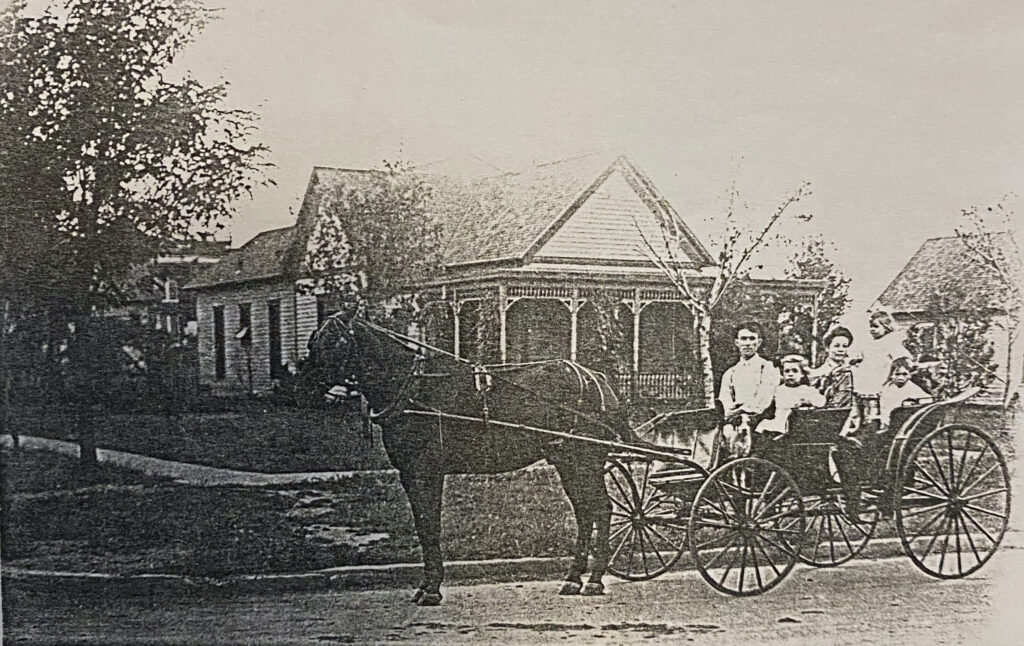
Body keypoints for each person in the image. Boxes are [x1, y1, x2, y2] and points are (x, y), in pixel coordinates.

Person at [719, 321, 780, 458]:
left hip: (758, 416)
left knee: (743, 425)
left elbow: (764, 399)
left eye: (752, 339)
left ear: (758, 342)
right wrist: (729, 413)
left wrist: (742, 411)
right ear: (737, 342)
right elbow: (725, 399)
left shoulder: (767, 368)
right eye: (743, 339)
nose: (747, 343)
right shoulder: (731, 372)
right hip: (734, 417)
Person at [755, 354, 824, 439]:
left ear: (802, 374)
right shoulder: (777, 390)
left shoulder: (806, 390)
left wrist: (806, 401)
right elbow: (765, 404)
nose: (790, 374)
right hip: (778, 423)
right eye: (787, 371)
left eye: (795, 371)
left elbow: (821, 401)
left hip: (796, 426)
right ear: (783, 374)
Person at [853, 310, 912, 397]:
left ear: (886, 327)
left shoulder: (890, 341)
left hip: (882, 375)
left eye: (876, 327)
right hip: (869, 375)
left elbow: (903, 357)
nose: (872, 329)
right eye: (871, 326)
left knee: (876, 400)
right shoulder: (871, 343)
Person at [878, 357, 932, 426]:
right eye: (897, 374)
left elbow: (927, 400)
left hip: (903, 424)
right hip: (886, 422)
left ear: (909, 375)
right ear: (892, 375)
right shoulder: (887, 387)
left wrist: (915, 404)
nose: (901, 377)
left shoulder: (912, 388)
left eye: (904, 374)